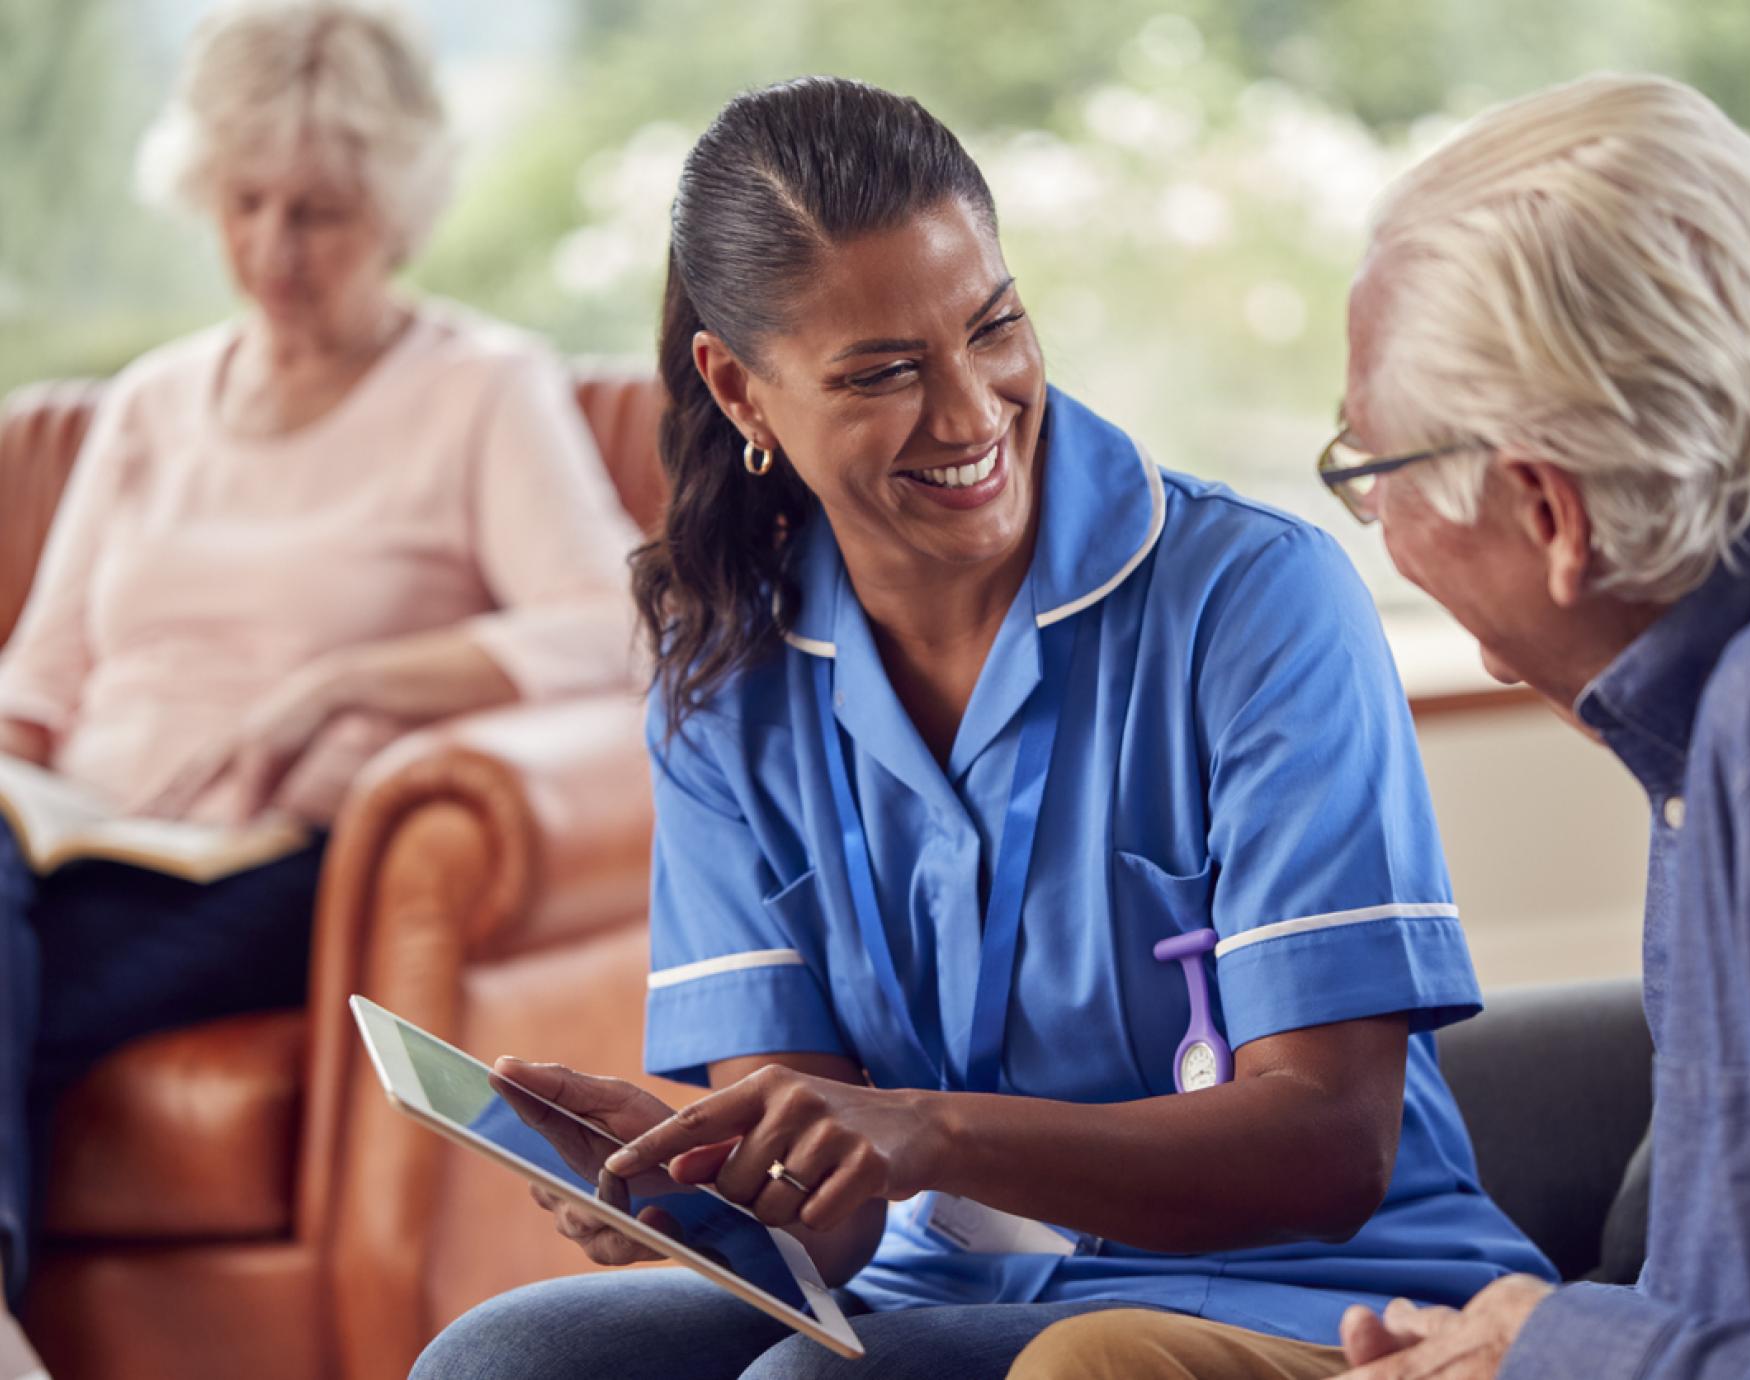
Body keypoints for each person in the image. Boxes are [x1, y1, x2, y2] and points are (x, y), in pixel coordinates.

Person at [411, 75, 1553, 1380]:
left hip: (1311, 1291)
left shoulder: (1255, 603)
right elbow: (827, 1233)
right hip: (936, 1289)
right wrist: (694, 1181)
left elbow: (1331, 1150)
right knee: (505, 1360)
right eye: (885, 372)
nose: (970, 413)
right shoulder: (726, 677)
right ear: (740, 392)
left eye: (993, 327)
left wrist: (929, 1130)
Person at [1010, 72, 1750, 1380]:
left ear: (1548, 512)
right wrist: (1513, 1342)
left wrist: (1566, 1347)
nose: (1376, 531)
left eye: (1368, 470)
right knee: (1114, 1360)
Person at [0, 0, 640, 1358]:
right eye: (246, 204)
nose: (273, 251)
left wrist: (355, 684)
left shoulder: (480, 390)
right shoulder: (151, 405)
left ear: (401, 211)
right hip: (71, 849)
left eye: (321, 214)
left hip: (284, 862)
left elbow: (619, 628)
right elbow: (39, 681)